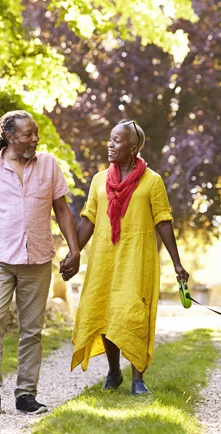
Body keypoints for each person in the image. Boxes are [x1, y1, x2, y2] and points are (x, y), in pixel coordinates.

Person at [0, 110, 80, 414]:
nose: (35, 139)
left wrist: (74, 250)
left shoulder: (48, 164)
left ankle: (25, 395)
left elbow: (62, 209)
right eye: (28, 134)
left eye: (36, 134)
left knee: (32, 329)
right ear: (10, 137)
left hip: (37, 257)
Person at [60, 119, 189, 395]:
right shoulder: (98, 180)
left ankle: (138, 378)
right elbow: (88, 221)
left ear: (133, 148)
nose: (110, 145)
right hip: (105, 258)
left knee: (133, 313)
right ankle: (114, 372)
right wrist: (74, 253)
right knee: (107, 314)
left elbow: (163, 222)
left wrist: (177, 263)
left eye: (117, 141)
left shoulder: (152, 181)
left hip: (136, 259)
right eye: (110, 139)